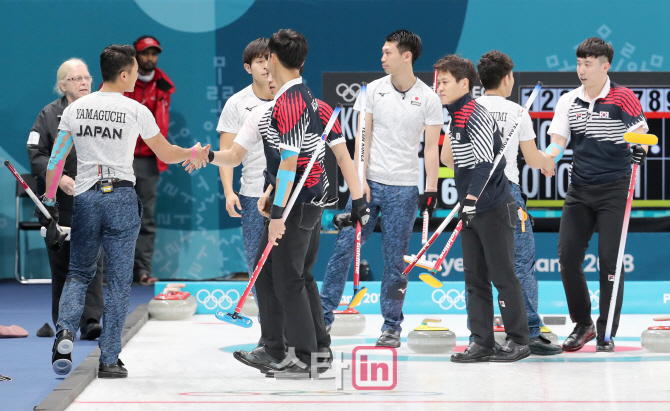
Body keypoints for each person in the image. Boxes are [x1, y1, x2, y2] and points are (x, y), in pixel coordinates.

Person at [198, 29, 368, 378]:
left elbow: (290, 163)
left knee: (287, 280)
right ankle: (314, 352)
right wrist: (360, 200)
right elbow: (345, 161)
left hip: (296, 205)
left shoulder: (291, 104)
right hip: (306, 202)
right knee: (294, 277)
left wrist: (277, 213)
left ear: (273, 60)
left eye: (266, 58)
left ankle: (300, 357)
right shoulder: (310, 103)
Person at [45, 44, 210, 378]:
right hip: (121, 198)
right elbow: (166, 153)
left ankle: (64, 331)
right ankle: (108, 360)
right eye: (134, 71)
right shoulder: (135, 110)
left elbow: (55, 161)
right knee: (119, 283)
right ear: (123, 74)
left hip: (87, 198)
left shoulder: (76, 109)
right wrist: (194, 151)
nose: (137, 76)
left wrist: (50, 205)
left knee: (78, 273)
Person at [319, 29, 443, 348]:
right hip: (369, 184)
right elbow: (362, 140)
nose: (382, 57)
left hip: (404, 190)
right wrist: (359, 185)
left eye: (388, 52)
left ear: (406, 56)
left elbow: (431, 150)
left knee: (395, 262)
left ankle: (391, 326)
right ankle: (322, 316)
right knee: (344, 248)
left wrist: (430, 189)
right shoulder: (372, 91)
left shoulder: (429, 98)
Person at [546, 37, 648, 352]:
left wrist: (639, 147)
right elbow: (558, 140)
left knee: (610, 262)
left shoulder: (623, 97)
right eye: (579, 63)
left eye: (588, 64)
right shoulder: (569, 101)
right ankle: (583, 324)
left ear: (605, 66)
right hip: (579, 189)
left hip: (615, 189)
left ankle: (606, 331)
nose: (581, 70)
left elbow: (640, 134)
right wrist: (549, 157)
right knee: (567, 257)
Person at [437, 54, 530, 362]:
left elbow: (486, 164)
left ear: (465, 84)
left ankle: (519, 340)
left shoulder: (475, 114)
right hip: (472, 209)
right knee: (474, 278)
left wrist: (471, 201)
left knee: (503, 276)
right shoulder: (455, 117)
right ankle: (481, 341)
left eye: (445, 82)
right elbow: (455, 164)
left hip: (491, 207)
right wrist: (467, 203)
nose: (438, 87)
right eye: (437, 81)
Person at [474, 50, 563, 356]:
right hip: (507, 195)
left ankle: (482, 338)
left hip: (473, 195)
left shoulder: (468, 111)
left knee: (480, 269)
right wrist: (549, 161)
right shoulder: (517, 112)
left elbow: (448, 158)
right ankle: (530, 332)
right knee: (519, 265)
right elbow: (535, 158)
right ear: (508, 78)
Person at [27, 58, 104, 341]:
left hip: (93, 198)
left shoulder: (100, 111)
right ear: (62, 85)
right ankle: (65, 324)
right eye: (76, 79)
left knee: (93, 262)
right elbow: (36, 154)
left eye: (87, 78)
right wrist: (58, 178)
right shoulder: (48, 115)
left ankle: (92, 320)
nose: (84, 83)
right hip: (58, 205)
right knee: (62, 265)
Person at [216, 38, 272, 302]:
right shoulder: (237, 103)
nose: (266, 66)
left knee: (290, 268)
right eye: (260, 61)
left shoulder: (291, 97)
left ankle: (293, 333)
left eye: (270, 59)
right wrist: (229, 191)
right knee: (257, 265)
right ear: (248, 67)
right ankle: (269, 334)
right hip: (251, 195)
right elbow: (227, 152)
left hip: (288, 195)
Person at [124, 35, 175, 285]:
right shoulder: (121, 80)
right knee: (112, 215)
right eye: (145, 53)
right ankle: (107, 272)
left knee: (146, 218)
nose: (150, 58)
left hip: (147, 160)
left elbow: (160, 126)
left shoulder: (164, 85)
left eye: (154, 54)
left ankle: (142, 271)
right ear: (135, 55)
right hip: (119, 158)